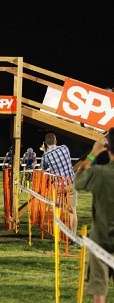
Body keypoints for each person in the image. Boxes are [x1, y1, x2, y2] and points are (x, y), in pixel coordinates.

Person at [75, 130, 114, 303]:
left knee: (99, 289)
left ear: (108, 147)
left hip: (100, 239)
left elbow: (77, 179)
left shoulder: (99, 173)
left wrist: (92, 154)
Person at [40, 132, 78, 235]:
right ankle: (73, 236)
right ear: (56, 141)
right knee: (73, 212)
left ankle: (58, 235)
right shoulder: (65, 148)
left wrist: (45, 151)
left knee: (57, 210)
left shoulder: (46, 156)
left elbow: (43, 170)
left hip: (59, 186)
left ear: (45, 143)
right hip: (71, 183)